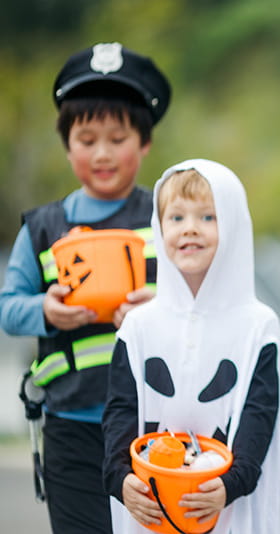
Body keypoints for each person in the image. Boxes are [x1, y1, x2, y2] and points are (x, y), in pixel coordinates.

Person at [0, 42, 169, 533]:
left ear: (144, 144)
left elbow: (202, 303)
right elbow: (9, 307)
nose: (101, 153)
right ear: (67, 143)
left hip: (152, 422)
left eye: (117, 138)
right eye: (86, 138)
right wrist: (46, 311)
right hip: (70, 425)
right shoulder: (42, 228)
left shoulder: (168, 218)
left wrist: (159, 308)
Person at [102, 159, 280, 533]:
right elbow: (120, 409)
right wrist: (119, 476)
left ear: (235, 226)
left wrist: (230, 484)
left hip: (228, 505)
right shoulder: (139, 325)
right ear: (159, 228)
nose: (190, 229)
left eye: (208, 217)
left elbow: (260, 414)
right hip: (153, 505)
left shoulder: (257, 326)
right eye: (176, 218)